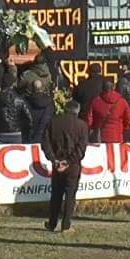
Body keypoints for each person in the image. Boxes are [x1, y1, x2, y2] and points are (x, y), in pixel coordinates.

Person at [41, 100, 91, 233]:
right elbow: (81, 149)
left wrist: (54, 160)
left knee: (56, 194)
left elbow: (45, 143)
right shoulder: (82, 125)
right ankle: (66, 225)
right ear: (77, 111)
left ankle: (52, 223)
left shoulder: (53, 122)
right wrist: (68, 162)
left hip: (57, 162)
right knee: (70, 194)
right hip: (72, 165)